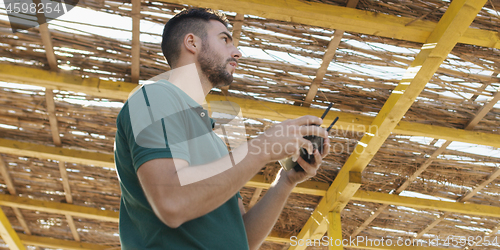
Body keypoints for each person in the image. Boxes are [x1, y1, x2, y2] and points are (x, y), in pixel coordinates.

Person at [114, 8, 330, 250]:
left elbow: (242, 239)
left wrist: (285, 181)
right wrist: (263, 147)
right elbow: (172, 203)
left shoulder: (214, 141)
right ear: (191, 43)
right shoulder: (153, 96)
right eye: (225, 40)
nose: (236, 52)